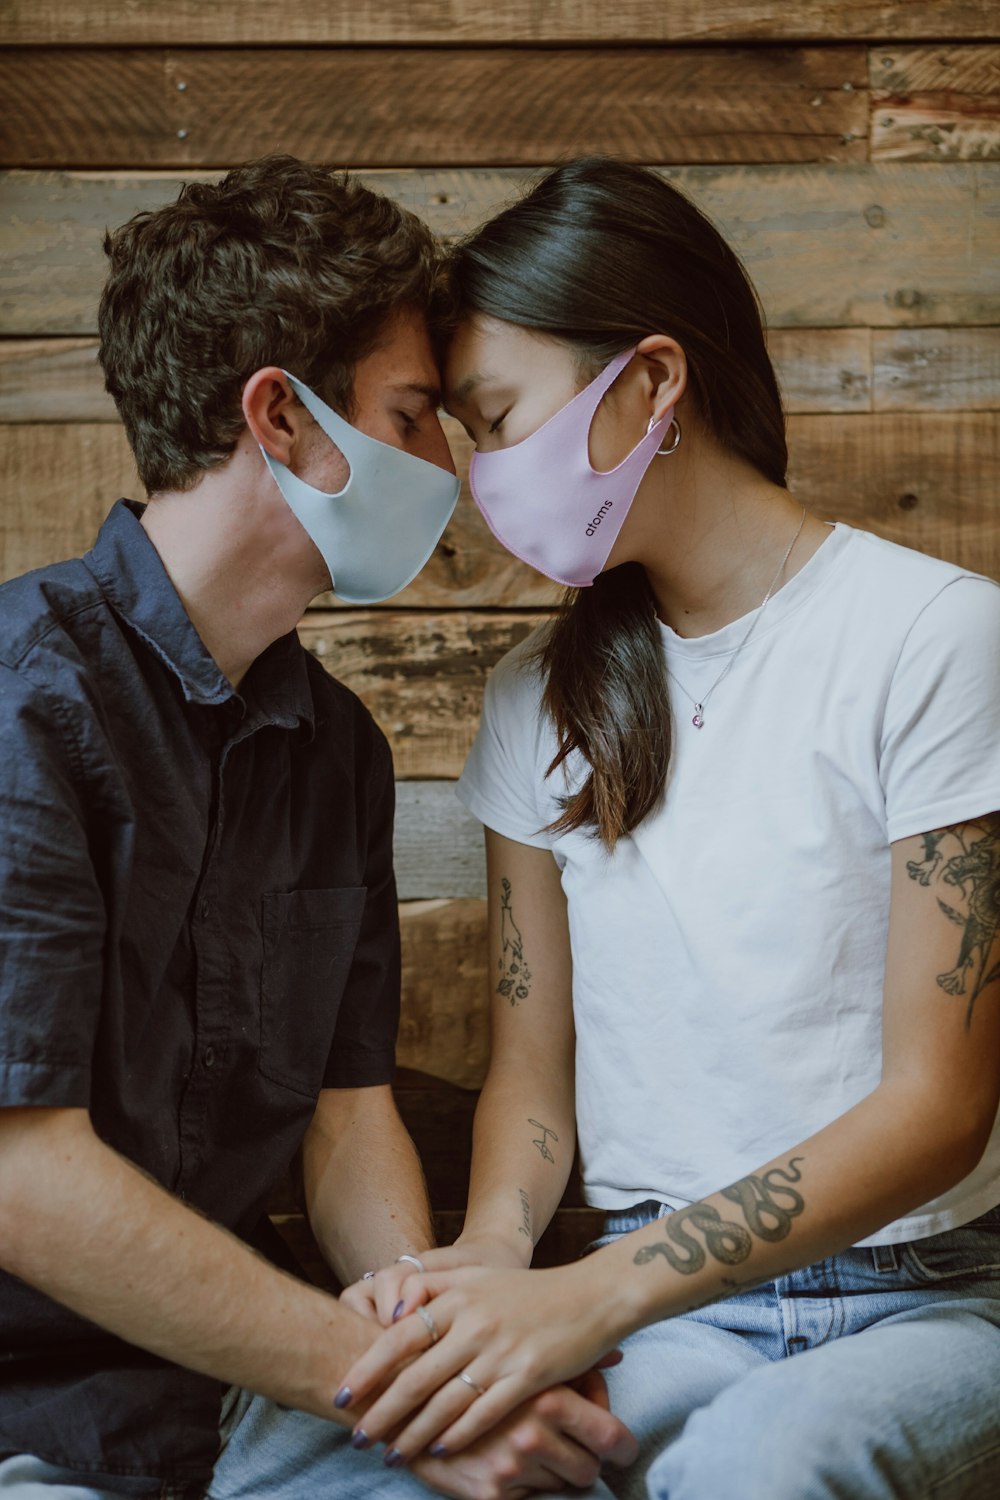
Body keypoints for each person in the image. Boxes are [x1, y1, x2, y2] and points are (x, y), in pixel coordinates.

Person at [333, 156, 1000, 1499]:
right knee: (377, 1461)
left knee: (762, 1462)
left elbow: (940, 1107)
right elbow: (535, 1062)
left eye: (500, 418)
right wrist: (497, 1258)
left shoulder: (936, 637)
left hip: (926, 1295)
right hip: (664, 1314)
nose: (481, 480)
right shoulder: (534, 702)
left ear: (650, 380)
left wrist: (591, 1301)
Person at [0, 156, 637, 1500]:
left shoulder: (335, 745)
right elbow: (25, 1179)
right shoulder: (24, 706)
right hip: (35, 1421)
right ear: (281, 420)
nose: (451, 473)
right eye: (414, 415)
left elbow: (346, 1124)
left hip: (249, 1396)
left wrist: (431, 1352)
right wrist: (387, 1390)